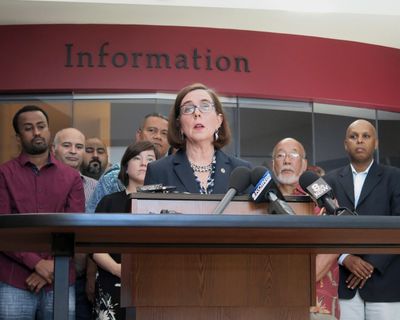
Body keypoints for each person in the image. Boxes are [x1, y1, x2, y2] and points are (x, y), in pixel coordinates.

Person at [0, 105, 84, 320]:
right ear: (18, 136)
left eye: (41, 126)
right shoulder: (3, 174)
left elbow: (75, 227)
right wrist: (37, 264)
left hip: (61, 277)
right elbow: (3, 228)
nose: (36, 132)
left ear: (48, 130)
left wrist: (50, 266)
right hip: (14, 278)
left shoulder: (71, 177)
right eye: (28, 128)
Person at [324, 119, 400, 320]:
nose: (359, 141)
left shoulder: (395, 177)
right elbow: (323, 227)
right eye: (353, 136)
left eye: (366, 136)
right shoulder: (330, 180)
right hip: (343, 285)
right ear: (345, 143)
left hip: (386, 284)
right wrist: (345, 257)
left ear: (376, 143)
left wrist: (370, 264)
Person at [271, 137, 340, 320]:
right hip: (270, 303)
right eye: (280, 155)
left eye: (293, 154)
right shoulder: (260, 200)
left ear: (304, 164)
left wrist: (295, 287)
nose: (286, 160)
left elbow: (334, 245)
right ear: (273, 164)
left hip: (318, 305)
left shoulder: (321, 194)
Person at [93, 140, 160, 320]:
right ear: (125, 166)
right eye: (137, 158)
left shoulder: (167, 204)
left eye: (150, 159)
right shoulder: (108, 201)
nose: (144, 163)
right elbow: (95, 247)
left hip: (156, 282)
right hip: (112, 279)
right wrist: (117, 269)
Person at [144, 83, 251, 193]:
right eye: (188, 109)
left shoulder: (242, 170)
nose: (197, 113)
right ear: (179, 124)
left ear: (219, 120)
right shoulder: (158, 170)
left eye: (205, 106)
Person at [52, 127, 98, 320]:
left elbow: (98, 234)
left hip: (80, 278)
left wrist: (90, 275)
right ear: (53, 150)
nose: (73, 151)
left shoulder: (95, 186)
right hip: (42, 273)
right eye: (67, 145)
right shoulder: (42, 183)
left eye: (79, 147)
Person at [86, 113, 169, 213]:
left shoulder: (172, 176)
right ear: (139, 135)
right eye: (151, 130)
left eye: (164, 133)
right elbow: (92, 221)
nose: (158, 136)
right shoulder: (112, 178)